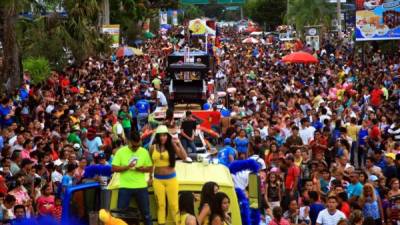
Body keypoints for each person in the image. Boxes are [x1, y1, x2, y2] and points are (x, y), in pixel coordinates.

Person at [111, 132, 153, 225]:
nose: (136, 148)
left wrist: (142, 169)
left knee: (146, 214)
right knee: (120, 215)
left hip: (141, 187)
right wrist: (127, 167)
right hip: (125, 187)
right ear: (128, 142)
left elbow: (150, 168)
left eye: (138, 146)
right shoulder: (121, 152)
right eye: (134, 146)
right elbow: (114, 168)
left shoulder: (144, 151)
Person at [150, 125, 187, 225]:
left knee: (174, 205)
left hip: (171, 180)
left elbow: (184, 157)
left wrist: (179, 144)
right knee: (161, 205)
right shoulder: (152, 147)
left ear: (168, 136)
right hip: (157, 180)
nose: (163, 137)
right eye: (160, 136)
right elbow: (151, 164)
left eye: (165, 135)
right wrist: (150, 177)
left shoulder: (172, 145)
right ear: (157, 136)